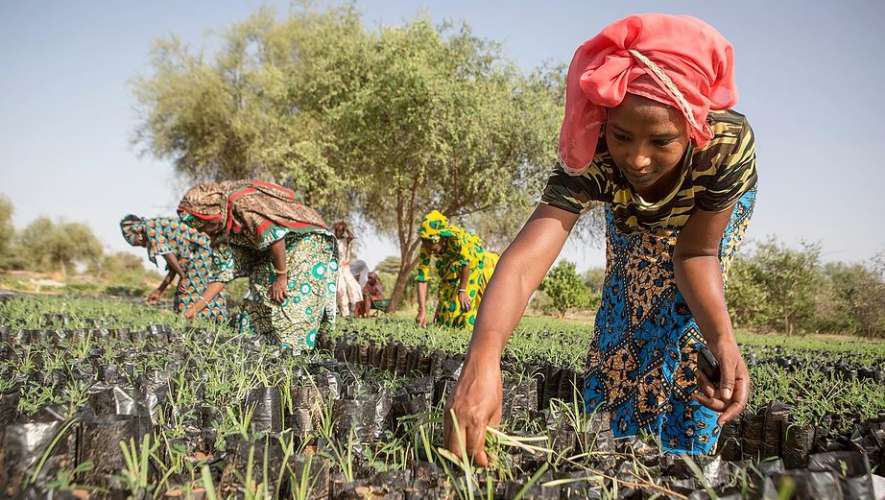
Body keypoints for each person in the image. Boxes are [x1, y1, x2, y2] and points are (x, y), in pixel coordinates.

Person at [445, 14, 757, 461]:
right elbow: (524, 263)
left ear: (692, 131)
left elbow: (696, 253)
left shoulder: (725, 146)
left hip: (704, 219)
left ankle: (683, 459)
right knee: (624, 312)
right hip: (633, 219)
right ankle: (613, 453)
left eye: (662, 141)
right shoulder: (593, 152)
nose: (639, 159)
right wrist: (482, 363)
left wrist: (722, 339)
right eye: (622, 135)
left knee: (685, 329)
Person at [178, 180, 338, 352]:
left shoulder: (242, 204)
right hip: (274, 250)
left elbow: (275, 235)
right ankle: (263, 350)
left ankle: (294, 354)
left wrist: (282, 277)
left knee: (289, 299)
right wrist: (194, 309)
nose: (203, 231)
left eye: (203, 225)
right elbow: (222, 274)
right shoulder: (221, 231)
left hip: (306, 240)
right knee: (259, 297)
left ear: (210, 213)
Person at [119, 215, 226, 322]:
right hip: (209, 248)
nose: (143, 246)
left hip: (206, 249)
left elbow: (168, 254)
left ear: (138, 235)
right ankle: (209, 321)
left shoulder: (150, 228)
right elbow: (174, 267)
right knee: (197, 290)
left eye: (139, 244)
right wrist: (159, 290)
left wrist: (184, 277)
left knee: (187, 293)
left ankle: (196, 322)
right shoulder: (157, 228)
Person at [415, 210, 499, 329]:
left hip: (474, 263)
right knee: (445, 318)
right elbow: (422, 278)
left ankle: (471, 331)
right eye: (426, 244)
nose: (429, 250)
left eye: (432, 245)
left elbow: (465, 263)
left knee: (464, 306)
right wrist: (422, 310)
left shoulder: (458, 239)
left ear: (442, 238)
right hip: (451, 265)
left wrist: (462, 291)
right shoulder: (426, 245)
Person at [333, 221, 363, 317]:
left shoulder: (346, 240)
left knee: (353, 287)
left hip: (345, 268)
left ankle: (352, 310)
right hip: (335, 268)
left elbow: (352, 236)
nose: (340, 232)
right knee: (340, 289)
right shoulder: (332, 240)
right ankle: (343, 311)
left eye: (342, 231)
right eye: (339, 230)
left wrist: (346, 229)